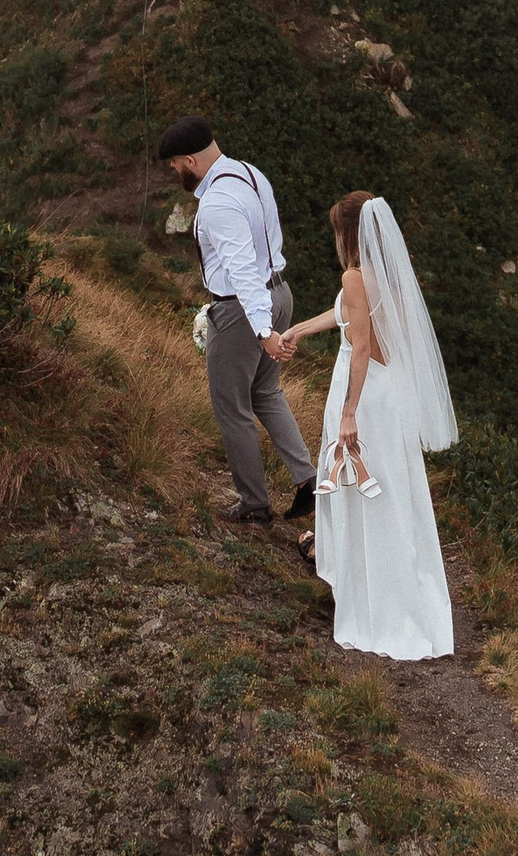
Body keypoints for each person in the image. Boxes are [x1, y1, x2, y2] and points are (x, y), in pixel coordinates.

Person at [277, 190, 455, 661]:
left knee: (366, 494)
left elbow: (359, 347)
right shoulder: (386, 275)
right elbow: (345, 316)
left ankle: (377, 603)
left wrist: (349, 413)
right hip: (388, 394)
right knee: (394, 497)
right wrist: (299, 330)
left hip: (367, 396)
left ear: (349, 232)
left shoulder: (354, 276)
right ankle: (396, 589)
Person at [158, 116, 318, 527]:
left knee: (231, 406)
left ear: (190, 160)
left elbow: (242, 269)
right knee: (265, 391)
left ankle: (255, 506)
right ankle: (308, 481)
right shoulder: (249, 172)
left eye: (174, 163)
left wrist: (262, 330)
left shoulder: (216, 204)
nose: (174, 171)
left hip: (244, 308)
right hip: (280, 291)